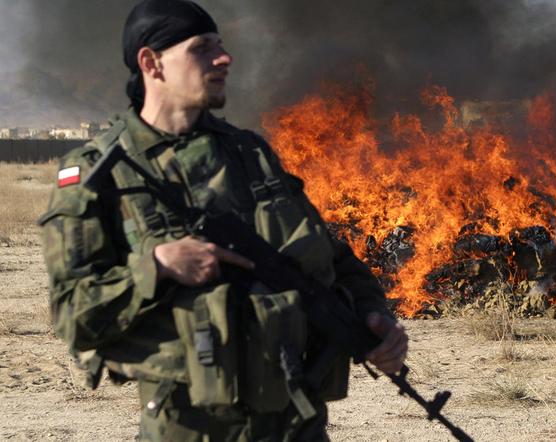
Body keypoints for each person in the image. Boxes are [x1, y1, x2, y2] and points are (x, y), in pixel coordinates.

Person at [38, 1, 408, 440]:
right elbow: (74, 316)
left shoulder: (250, 153)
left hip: (297, 424)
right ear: (150, 63)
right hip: (192, 427)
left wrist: (374, 316)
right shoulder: (98, 174)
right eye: (201, 48)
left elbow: (331, 256)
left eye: (221, 45)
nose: (224, 57)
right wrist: (154, 267)